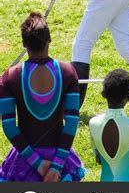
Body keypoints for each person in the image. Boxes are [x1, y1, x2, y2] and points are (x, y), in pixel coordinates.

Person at [0, 12, 84, 182]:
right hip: (60, 159)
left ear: (24, 44)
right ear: (50, 40)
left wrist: (38, 163)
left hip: (25, 160)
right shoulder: (68, 72)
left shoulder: (9, 77)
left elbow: (9, 126)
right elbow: (72, 122)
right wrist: (56, 167)